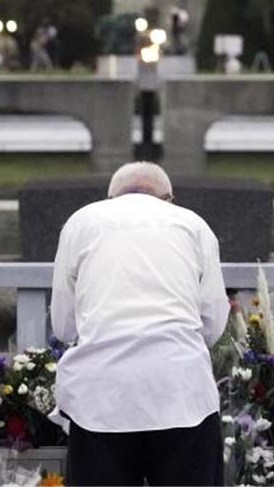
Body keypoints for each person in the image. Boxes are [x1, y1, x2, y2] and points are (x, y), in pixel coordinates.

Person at [49, 162, 230, 486]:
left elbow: (64, 325)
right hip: (181, 390)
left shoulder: (82, 221)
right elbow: (213, 320)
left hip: (101, 397)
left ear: (110, 197)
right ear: (169, 198)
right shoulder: (193, 224)